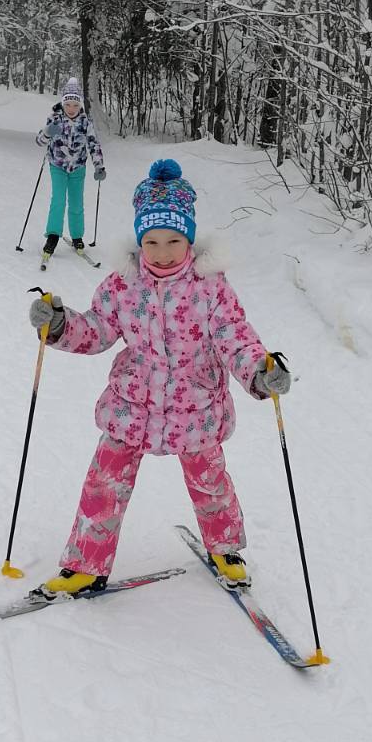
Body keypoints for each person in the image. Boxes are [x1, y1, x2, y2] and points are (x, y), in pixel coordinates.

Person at [25, 158, 291, 596]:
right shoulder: (121, 285)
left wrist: (261, 373)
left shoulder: (210, 287)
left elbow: (236, 339)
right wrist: (58, 324)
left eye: (173, 240)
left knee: (210, 483)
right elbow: (96, 331)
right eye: (151, 241)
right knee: (104, 481)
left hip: (196, 408)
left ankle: (224, 548)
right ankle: (86, 564)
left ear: (189, 238)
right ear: (138, 241)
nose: (163, 252)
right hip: (132, 405)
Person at [36, 77, 106, 263]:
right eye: (68, 104)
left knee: (76, 204)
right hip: (57, 166)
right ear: (63, 102)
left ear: (79, 105)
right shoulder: (55, 119)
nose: (71, 108)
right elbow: (39, 141)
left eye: (75, 104)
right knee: (58, 201)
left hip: (78, 168)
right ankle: (52, 236)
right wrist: (47, 133)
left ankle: (77, 237)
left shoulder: (85, 122)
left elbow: (94, 144)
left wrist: (99, 165)